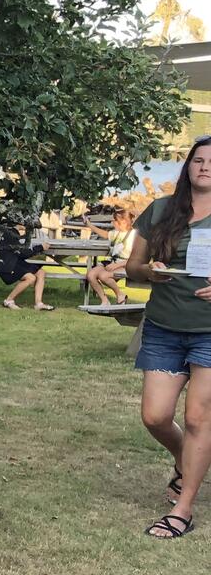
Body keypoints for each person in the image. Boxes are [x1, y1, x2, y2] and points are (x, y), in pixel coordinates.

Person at [126, 136, 211, 539]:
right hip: (163, 327)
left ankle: (183, 508)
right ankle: (188, 460)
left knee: (198, 418)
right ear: (187, 166)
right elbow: (132, 267)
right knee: (155, 416)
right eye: (198, 160)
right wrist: (150, 273)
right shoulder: (161, 209)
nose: (205, 167)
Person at [85, 207, 137, 304]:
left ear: (124, 222)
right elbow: (105, 234)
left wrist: (117, 265)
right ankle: (104, 300)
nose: (113, 222)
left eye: (115, 220)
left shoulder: (134, 236)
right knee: (91, 275)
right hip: (111, 262)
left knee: (103, 276)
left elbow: (135, 258)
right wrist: (89, 225)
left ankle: (120, 294)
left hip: (124, 265)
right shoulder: (117, 233)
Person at [0, 226, 53, 310]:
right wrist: (40, 248)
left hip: (15, 262)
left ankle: (38, 304)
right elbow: (23, 253)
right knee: (30, 278)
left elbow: (20, 253)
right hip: (7, 266)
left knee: (41, 273)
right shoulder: (11, 234)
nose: (27, 225)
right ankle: (8, 301)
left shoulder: (14, 233)